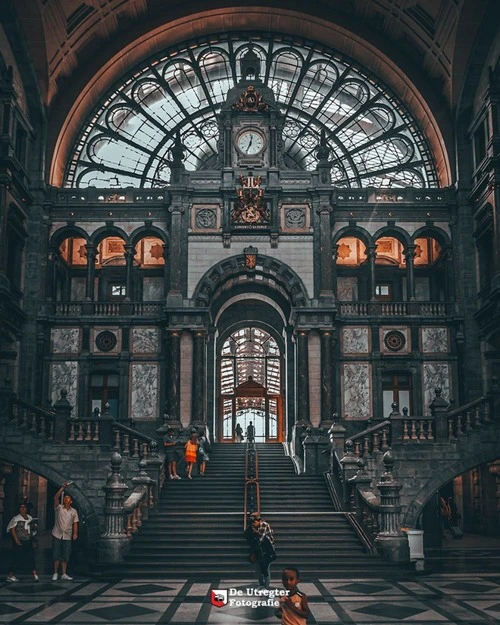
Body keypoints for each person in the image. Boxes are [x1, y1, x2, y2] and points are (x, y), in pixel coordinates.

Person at [52, 482, 79, 581]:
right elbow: (55, 498)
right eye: (65, 498)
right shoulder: (59, 508)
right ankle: (55, 572)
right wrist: (62, 488)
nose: (66, 499)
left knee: (65, 554)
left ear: (71, 501)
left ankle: (64, 573)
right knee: (56, 554)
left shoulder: (74, 511)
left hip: (67, 535)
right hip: (57, 534)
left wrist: (75, 533)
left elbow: (75, 523)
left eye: (68, 498)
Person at [5, 503, 39, 582]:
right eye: (21, 507)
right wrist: (16, 539)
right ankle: (10, 575)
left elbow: (34, 527)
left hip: (28, 540)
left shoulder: (30, 518)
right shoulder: (16, 518)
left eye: (24, 507)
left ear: (26, 509)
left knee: (31, 557)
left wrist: (33, 526)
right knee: (17, 558)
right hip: (20, 541)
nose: (23, 508)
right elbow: (12, 529)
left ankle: (35, 574)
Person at [245, 512, 276, 589]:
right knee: (257, 568)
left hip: (267, 549)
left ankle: (266, 586)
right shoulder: (253, 526)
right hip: (259, 549)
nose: (253, 524)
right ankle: (261, 584)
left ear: (258, 521)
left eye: (254, 522)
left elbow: (261, 539)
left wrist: (255, 532)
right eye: (252, 522)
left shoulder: (264, 525)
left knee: (266, 568)